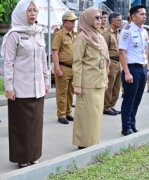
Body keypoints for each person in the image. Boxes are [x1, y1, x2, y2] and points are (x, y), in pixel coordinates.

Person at [2, 0, 50, 168]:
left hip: (37, 88)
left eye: (35, 10)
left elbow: (44, 60)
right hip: (20, 88)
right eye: (29, 11)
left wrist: (46, 81)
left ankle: (34, 154)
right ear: (21, 13)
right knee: (21, 125)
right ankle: (22, 156)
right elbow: (8, 63)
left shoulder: (38, 32)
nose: (32, 14)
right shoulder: (14, 35)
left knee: (36, 124)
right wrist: (9, 87)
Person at [73, 8, 109, 149]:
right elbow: (77, 62)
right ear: (87, 19)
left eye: (100, 18)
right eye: (96, 18)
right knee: (86, 115)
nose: (99, 20)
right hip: (87, 83)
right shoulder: (82, 38)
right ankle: (83, 143)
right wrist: (77, 85)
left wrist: (105, 80)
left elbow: (104, 61)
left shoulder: (99, 36)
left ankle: (93, 141)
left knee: (96, 116)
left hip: (99, 82)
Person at [118, 5, 149, 136]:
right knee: (129, 99)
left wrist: (147, 69)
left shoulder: (144, 31)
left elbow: (144, 51)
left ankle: (132, 123)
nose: (145, 16)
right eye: (142, 14)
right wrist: (126, 72)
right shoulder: (127, 31)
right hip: (131, 68)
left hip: (142, 68)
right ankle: (126, 127)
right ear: (133, 16)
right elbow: (122, 53)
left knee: (137, 99)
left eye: (145, 14)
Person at [52, 10, 77, 125]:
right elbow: (55, 52)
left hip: (73, 68)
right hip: (63, 67)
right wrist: (57, 68)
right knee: (62, 92)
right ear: (65, 22)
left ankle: (68, 112)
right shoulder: (59, 35)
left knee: (70, 91)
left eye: (74, 21)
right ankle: (61, 114)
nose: (73, 23)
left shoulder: (74, 35)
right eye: (71, 21)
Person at [103, 12, 123, 116]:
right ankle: (106, 107)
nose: (121, 22)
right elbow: (103, 52)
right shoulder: (106, 33)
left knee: (117, 86)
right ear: (112, 21)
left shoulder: (118, 33)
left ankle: (112, 105)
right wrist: (107, 67)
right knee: (109, 86)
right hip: (110, 62)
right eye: (118, 20)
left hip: (118, 62)